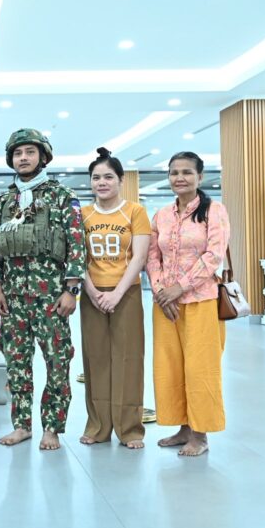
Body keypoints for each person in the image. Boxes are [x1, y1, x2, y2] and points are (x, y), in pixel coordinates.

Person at [0, 129, 86, 451]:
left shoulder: (61, 196)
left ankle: (52, 428)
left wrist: (72, 290)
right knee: (16, 363)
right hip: (13, 298)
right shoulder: (4, 202)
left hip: (51, 296)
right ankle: (22, 425)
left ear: (43, 156)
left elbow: (76, 243)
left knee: (58, 362)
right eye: (18, 153)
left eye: (30, 152)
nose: (23, 158)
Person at [146, 151, 230, 457]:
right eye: (174, 172)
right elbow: (152, 256)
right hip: (165, 305)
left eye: (186, 172)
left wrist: (179, 288)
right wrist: (160, 290)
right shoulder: (161, 215)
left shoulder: (214, 211)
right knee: (170, 367)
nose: (179, 178)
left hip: (201, 301)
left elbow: (214, 255)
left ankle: (200, 434)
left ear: (200, 177)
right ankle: (182, 428)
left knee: (200, 369)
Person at [78, 147, 151, 449]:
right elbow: (77, 257)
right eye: (96, 177)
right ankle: (98, 427)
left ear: (121, 180)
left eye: (108, 177)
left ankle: (130, 429)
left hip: (127, 293)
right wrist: (92, 291)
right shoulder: (82, 215)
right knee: (95, 360)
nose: (102, 183)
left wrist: (118, 293)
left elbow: (140, 256)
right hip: (92, 295)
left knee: (128, 360)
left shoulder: (135, 211)